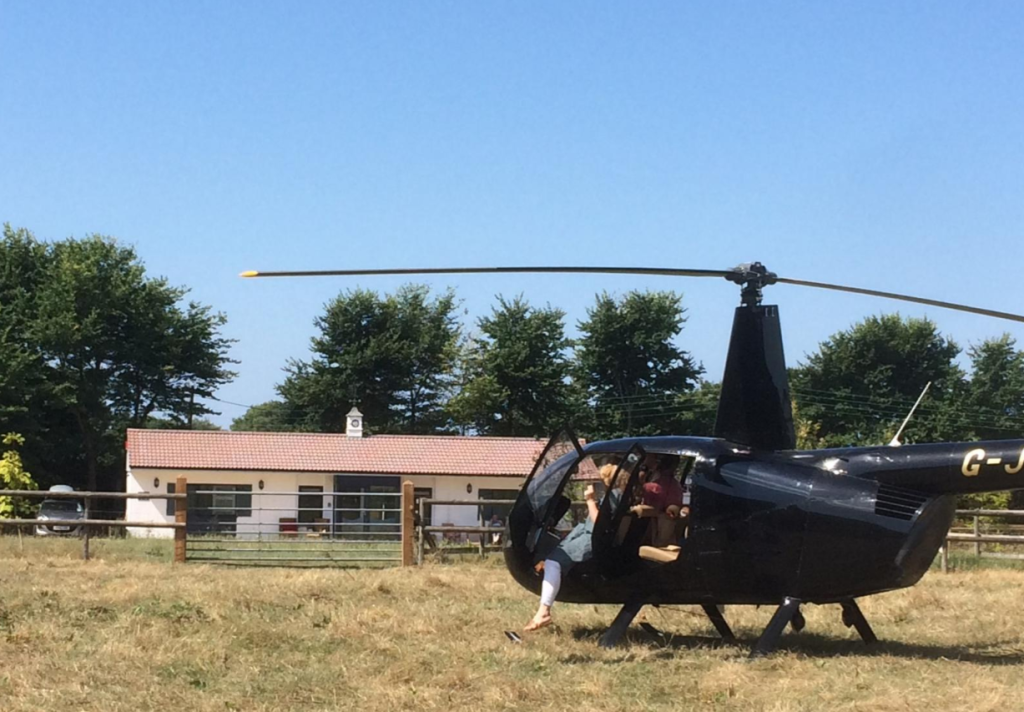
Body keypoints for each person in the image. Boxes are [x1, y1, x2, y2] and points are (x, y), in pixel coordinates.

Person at [523, 463, 624, 632]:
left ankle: (544, 612)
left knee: (554, 562)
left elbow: (600, 524)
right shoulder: (619, 496)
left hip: (592, 539)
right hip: (585, 534)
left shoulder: (615, 496)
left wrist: (590, 500)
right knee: (551, 559)